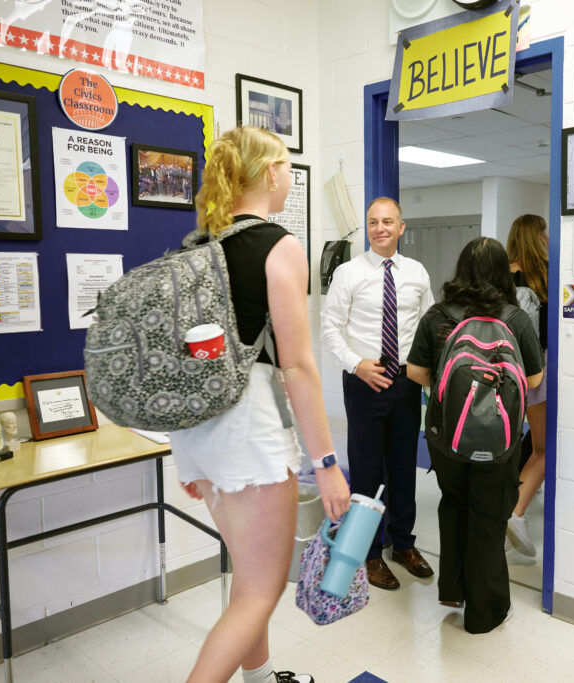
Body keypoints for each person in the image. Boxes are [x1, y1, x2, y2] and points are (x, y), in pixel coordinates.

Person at [172, 126, 350, 683]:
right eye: (287, 166)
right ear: (271, 173)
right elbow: (296, 364)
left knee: (248, 574)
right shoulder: (279, 245)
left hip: (197, 428)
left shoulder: (196, 247)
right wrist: (326, 465)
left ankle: (262, 677)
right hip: (246, 429)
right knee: (261, 589)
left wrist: (196, 457)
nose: (290, 177)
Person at [407, 237, 543, 634]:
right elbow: (533, 378)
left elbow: (415, 372)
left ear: (461, 268)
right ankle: (484, 613)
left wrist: (452, 391)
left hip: (445, 435)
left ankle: (452, 589)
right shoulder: (514, 318)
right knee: (488, 519)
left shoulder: (438, 314)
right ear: (503, 272)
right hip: (498, 441)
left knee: (453, 506)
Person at [322, 196, 435, 591]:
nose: (380, 228)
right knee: (367, 471)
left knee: (404, 466)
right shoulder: (349, 273)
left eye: (388, 221)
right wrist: (357, 365)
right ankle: (369, 553)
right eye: (373, 222)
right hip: (364, 381)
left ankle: (403, 544)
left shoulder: (417, 273)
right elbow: (330, 329)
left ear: (401, 227)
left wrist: (426, 375)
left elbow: (427, 329)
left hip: (405, 383)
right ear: (368, 228)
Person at [504, 214, 549, 557]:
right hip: (535, 376)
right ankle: (516, 513)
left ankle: (511, 512)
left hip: (516, 377)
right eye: (545, 234)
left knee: (526, 448)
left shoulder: (511, 276)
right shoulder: (527, 283)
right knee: (543, 449)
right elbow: (530, 340)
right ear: (536, 238)